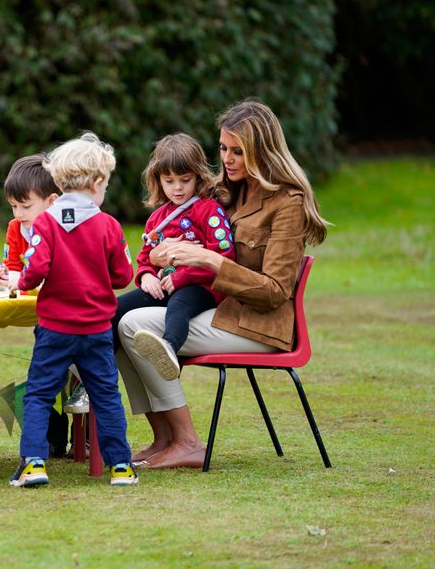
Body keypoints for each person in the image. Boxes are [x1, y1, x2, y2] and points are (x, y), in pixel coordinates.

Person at [117, 100, 329, 470]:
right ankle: (164, 438)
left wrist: (210, 260)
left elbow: (276, 291)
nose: (227, 159)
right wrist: (158, 266)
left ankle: (188, 442)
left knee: (134, 326)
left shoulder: (287, 203)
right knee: (122, 319)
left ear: (261, 152)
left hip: (257, 324)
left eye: (237, 152)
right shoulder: (226, 192)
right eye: (223, 148)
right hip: (217, 308)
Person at [6, 132, 138, 487]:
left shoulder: (46, 222)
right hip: (97, 329)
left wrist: (19, 282)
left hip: (54, 329)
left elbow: (32, 273)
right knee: (105, 395)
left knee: (38, 393)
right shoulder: (109, 225)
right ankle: (121, 466)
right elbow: (124, 275)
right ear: (97, 182)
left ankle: (34, 463)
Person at [113, 133, 236, 381]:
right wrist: (146, 276)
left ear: (198, 176)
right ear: (158, 180)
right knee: (116, 309)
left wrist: (183, 277)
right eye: (169, 181)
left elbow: (224, 257)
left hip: (203, 288)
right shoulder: (158, 218)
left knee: (179, 305)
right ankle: (96, 363)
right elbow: (146, 257)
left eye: (185, 179)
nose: (177, 187)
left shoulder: (208, 210)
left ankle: (169, 348)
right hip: (164, 286)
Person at [0, 154, 73, 457]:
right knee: (46, 377)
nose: (19, 213)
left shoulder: (65, 226)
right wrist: (10, 278)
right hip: (43, 315)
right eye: (13, 206)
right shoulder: (16, 228)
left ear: (52, 201)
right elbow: (14, 266)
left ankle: (86, 438)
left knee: (78, 378)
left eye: (26, 206)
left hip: (72, 315)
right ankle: (53, 439)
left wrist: (25, 279)